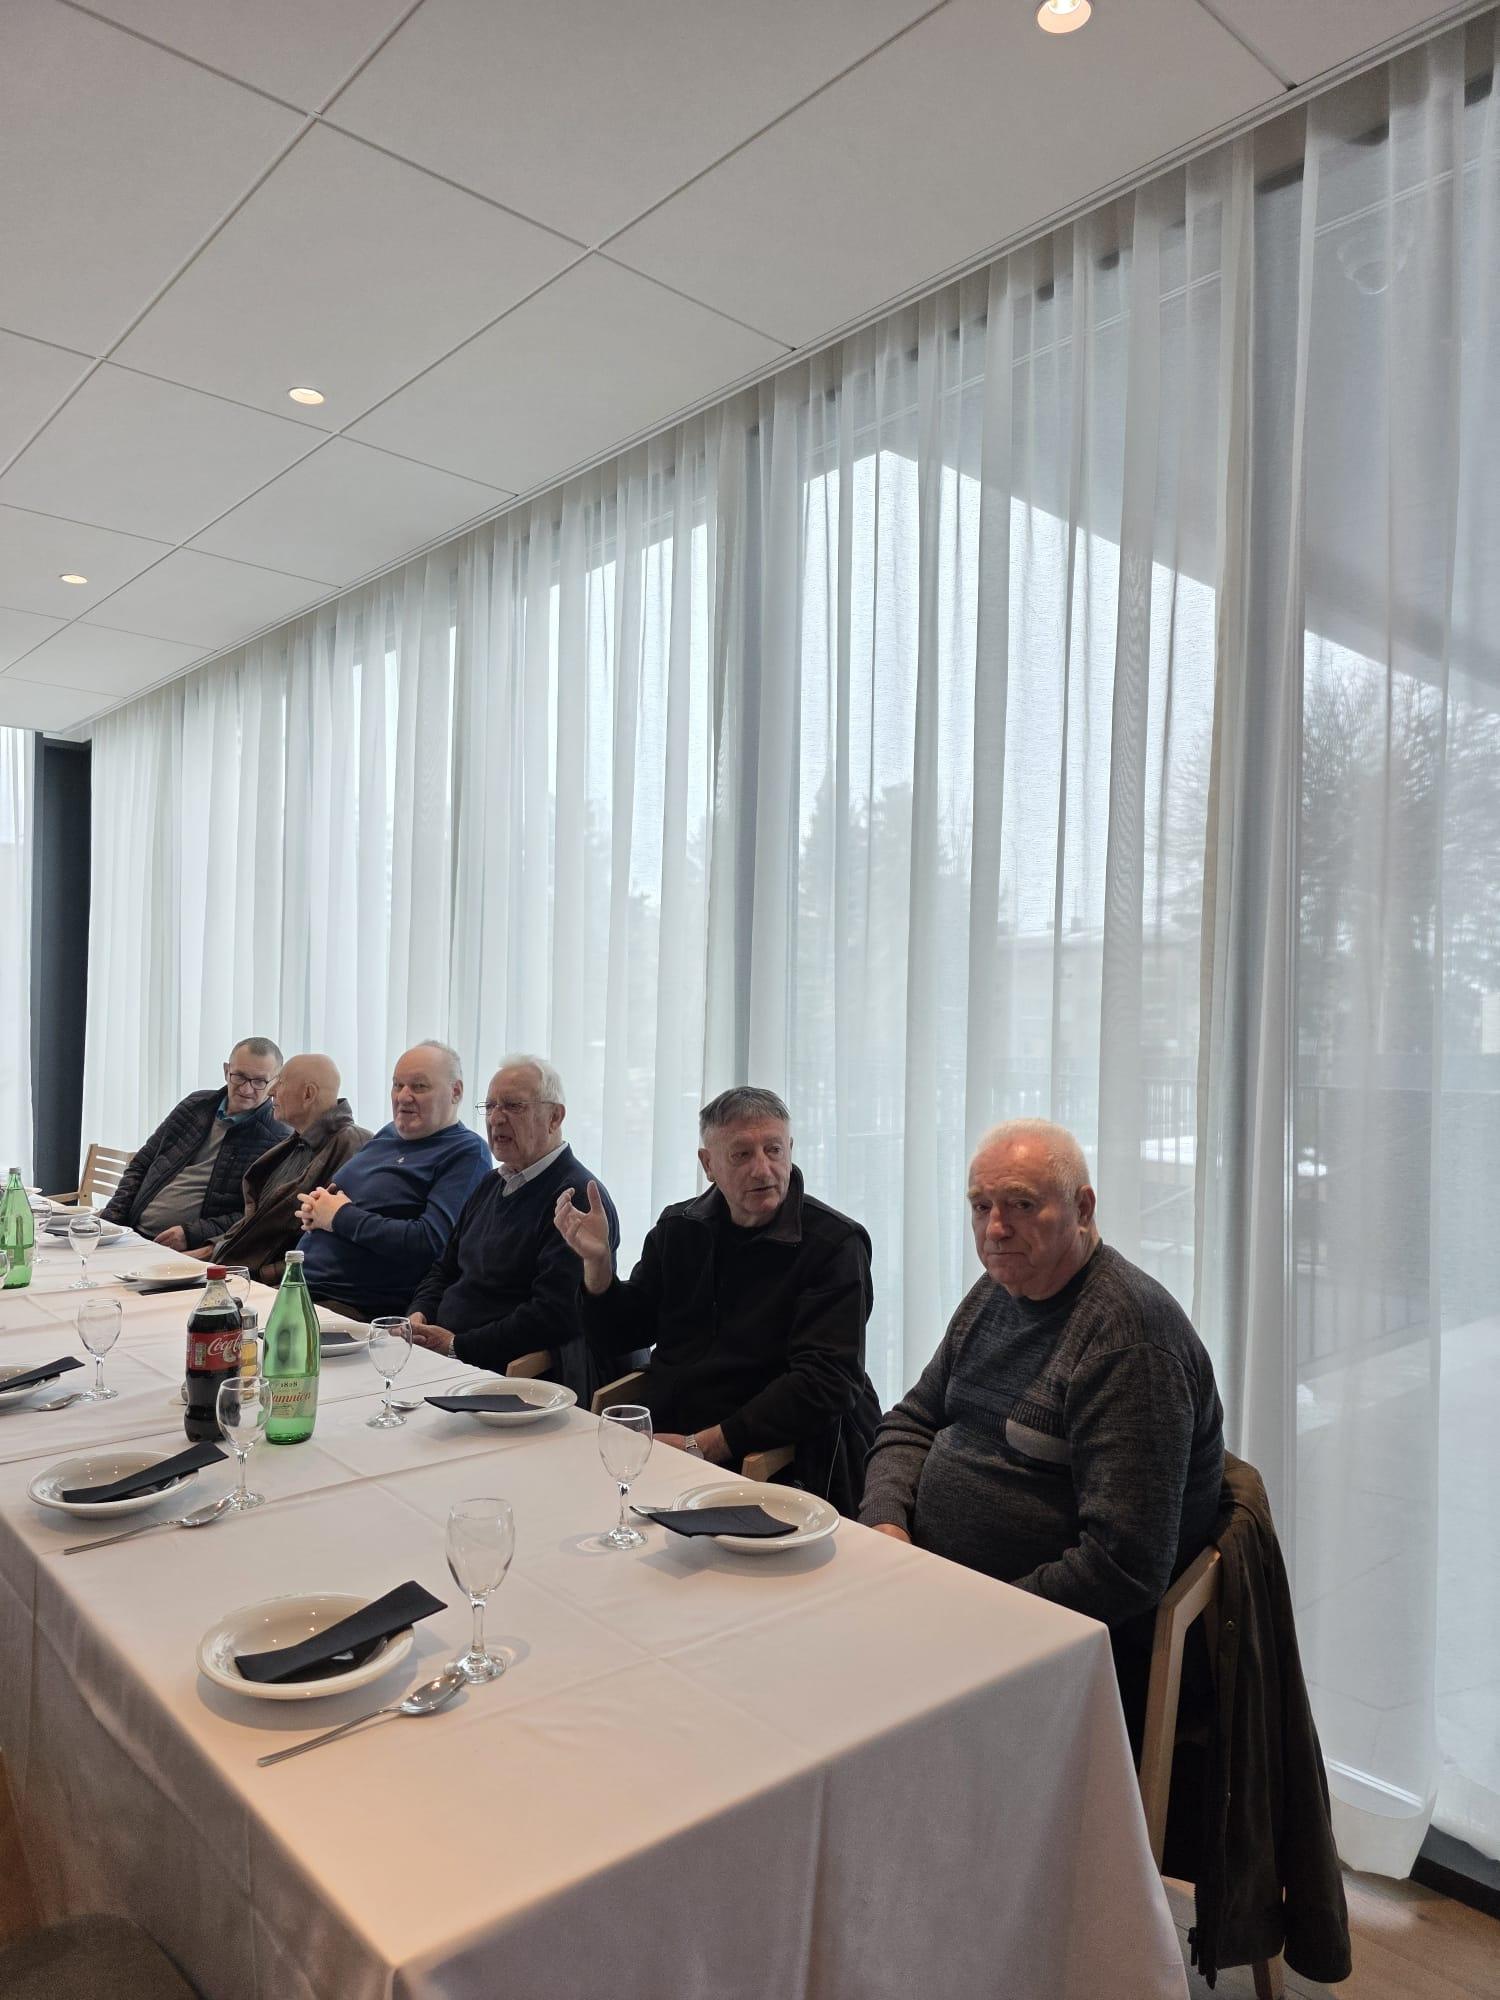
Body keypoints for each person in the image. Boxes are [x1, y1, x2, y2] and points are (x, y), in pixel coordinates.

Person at [859, 1118, 1224, 1727]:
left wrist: (972, 1617)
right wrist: (887, 1526)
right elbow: (912, 1421)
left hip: (1039, 1652)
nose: (995, 1229)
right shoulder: (997, 1292)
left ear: (1083, 1208)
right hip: (929, 1595)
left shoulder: (1129, 1342)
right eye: (981, 1207)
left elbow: (1122, 1568)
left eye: (1022, 1205)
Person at [556, 1085, 881, 1515]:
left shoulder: (835, 1244)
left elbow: (827, 1381)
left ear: (790, 1150)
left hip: (771, 1456)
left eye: (774, 1150)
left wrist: (703, 1445)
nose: (763, 1169)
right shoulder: (679, 1227)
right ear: (708, 1164)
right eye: (742, 1155)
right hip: (671, 1440)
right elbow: (619, 1335)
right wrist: (598, 1264)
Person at [408, 1057, 620, 1402]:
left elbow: (552, 1315)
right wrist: (419, 1314)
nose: (496, 1118)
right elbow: (444, 1268)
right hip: (445, 1358)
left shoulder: (576, 1197)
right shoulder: (492, 1183)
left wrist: (458, 1345)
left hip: (508, 1379)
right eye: (490, 1106)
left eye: (513, 1106)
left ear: (555, 1117)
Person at [293, 1041, 490, 1322]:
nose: (403, 1097)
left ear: (455, 1091)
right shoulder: (387, 1134)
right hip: (301, 1284)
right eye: (398, 1085)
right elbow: (344, 1203)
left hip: (353, 1305)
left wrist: (339, 1217)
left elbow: (431, 1242)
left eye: (419, 1086)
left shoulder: (467, 1152)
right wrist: (316, 1209)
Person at [191, 1055, 370, 1286]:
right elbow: (254, 1222)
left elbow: (332, 1245)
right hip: (240, 1271)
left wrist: (264, 1275)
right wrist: (205, 1253)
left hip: (282, 1284)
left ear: (308, 1094)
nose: (271, 1091)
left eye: (281, 1082)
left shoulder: (353, 1147)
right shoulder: (297, 1142)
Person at [100, 1039, 288, 1251]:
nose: (246, 1088)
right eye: (239, 1076)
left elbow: (258, 1215)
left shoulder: (280, 1137)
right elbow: (140, 1165)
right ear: (226, 1071)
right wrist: (110, 1223)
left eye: (259, 1081)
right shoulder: (195, 1105)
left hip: (189, 1252)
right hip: (131, 1235)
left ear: (275, 1083)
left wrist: (192, 1234)